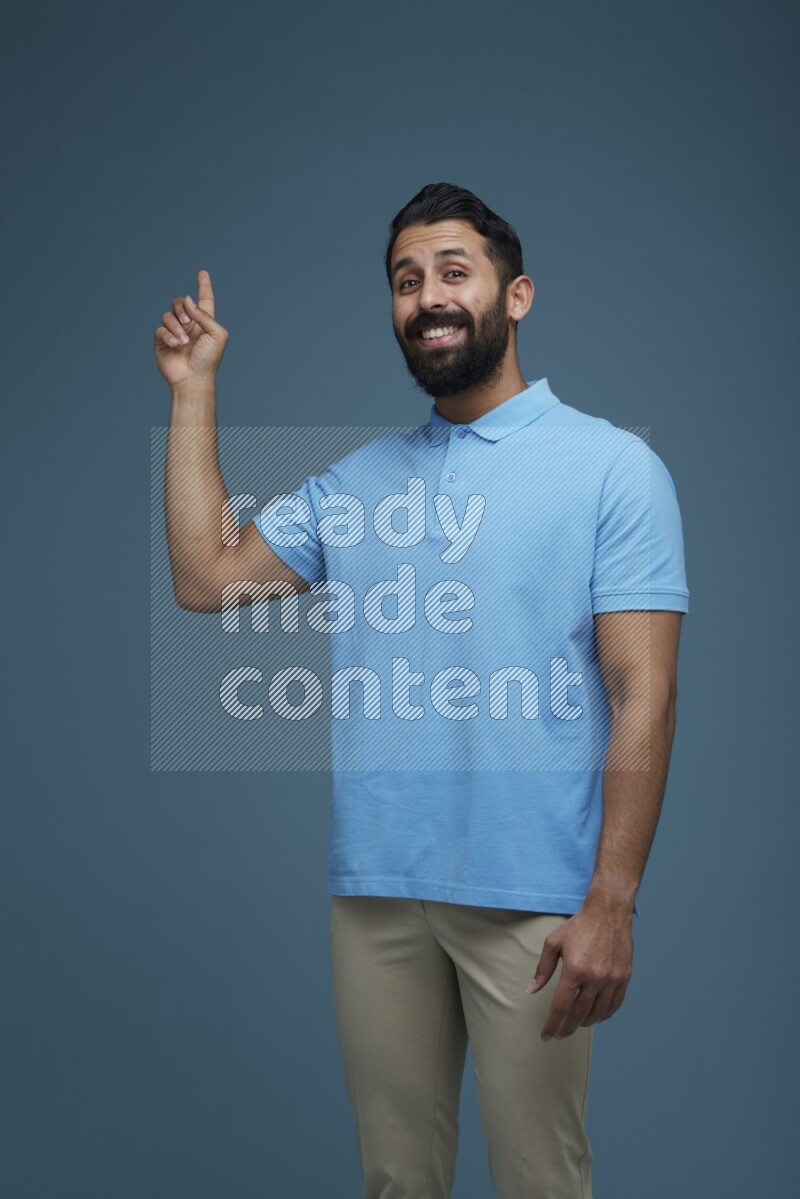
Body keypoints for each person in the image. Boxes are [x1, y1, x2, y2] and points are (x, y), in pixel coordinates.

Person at [155, 182, 689, 1199]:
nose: (428, 296)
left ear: (515, 294)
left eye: (453, 271)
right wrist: (192, 390)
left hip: (532, 904)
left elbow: (643, 692)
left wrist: (610, 902)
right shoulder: (357, 482)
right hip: (376, 895)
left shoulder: (612, 468)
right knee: (395, 1179)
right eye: (407, 280)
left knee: (540, 1179)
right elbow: (205, 579)